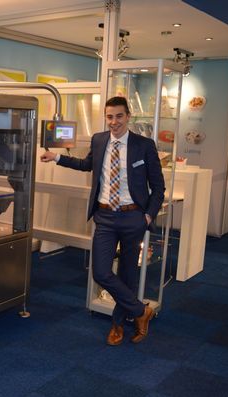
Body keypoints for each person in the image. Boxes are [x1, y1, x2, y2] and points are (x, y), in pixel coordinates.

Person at [40, 96, 165, 345]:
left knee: (128, 274)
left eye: (119, 116)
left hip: (133, 217)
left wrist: (148, 215)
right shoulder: (99, 140)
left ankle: (118, 324)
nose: (114, 122)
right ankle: (141, 312)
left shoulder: (144, 145)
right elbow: (87, 164)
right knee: (101, 272)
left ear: (128, 116)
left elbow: (158, 186)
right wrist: (57, 158)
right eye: (109, 117)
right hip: (105, 216)